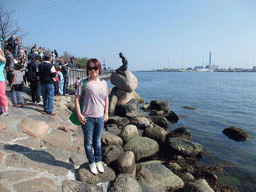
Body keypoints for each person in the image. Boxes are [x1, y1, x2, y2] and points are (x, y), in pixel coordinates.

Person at [75, 59, 109, 175]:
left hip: (100, 118)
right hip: (87, 118)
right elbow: (76, 98)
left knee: (98, 142)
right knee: (88, 142)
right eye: (90, 68)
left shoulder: (103, 83)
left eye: (95, 68)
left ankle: (98, 161)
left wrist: (106, 113)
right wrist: (79, 115)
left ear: (99, 69)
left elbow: (106, 99)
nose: (93, 70)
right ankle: (91, 162)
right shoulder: (83, 83)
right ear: (87, 70)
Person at [0, 48, 9, 116]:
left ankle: (6, 110)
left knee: (2, 95)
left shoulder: (3, 59)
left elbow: (3, 59)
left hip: (1, 79)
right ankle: (1, 109)